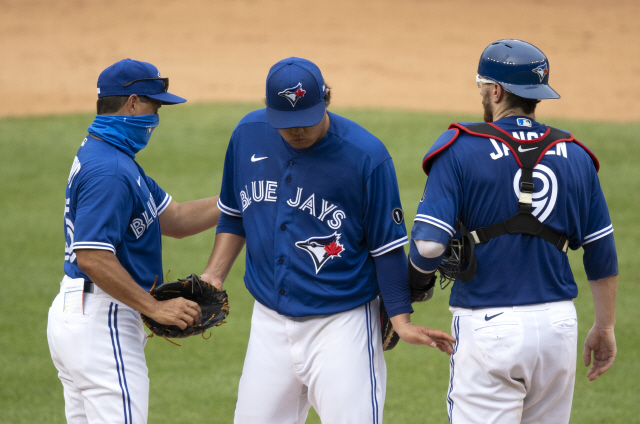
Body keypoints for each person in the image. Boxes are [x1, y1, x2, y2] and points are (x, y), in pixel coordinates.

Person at [200, 57, 455, 423]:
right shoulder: (247, 135)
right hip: (268, 323)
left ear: (326, 100)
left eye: (306, 119)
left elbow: (386, 248)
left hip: (343, 326)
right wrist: (214, 274)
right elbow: (235, 212)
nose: (297, 131)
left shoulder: (366, 157)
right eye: (287, 124)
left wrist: (400, 319)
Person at [409, 39, 618, 424]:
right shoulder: (576, 155)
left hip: (490, 327)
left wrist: (413, 288)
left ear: (496, 90)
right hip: (559, 327)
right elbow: (601, 252)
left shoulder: (461, 148)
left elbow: (427, 245)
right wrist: (604, 326)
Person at [47, 58, 221, 424]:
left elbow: (175, 219)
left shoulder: (111, 156)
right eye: (155, 106)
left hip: (84, 314)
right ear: (132, 103)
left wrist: (237, 203)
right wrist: (154, 307)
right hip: (103, 319)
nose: (156, 119)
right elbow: (92, 256)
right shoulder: (109, 170)